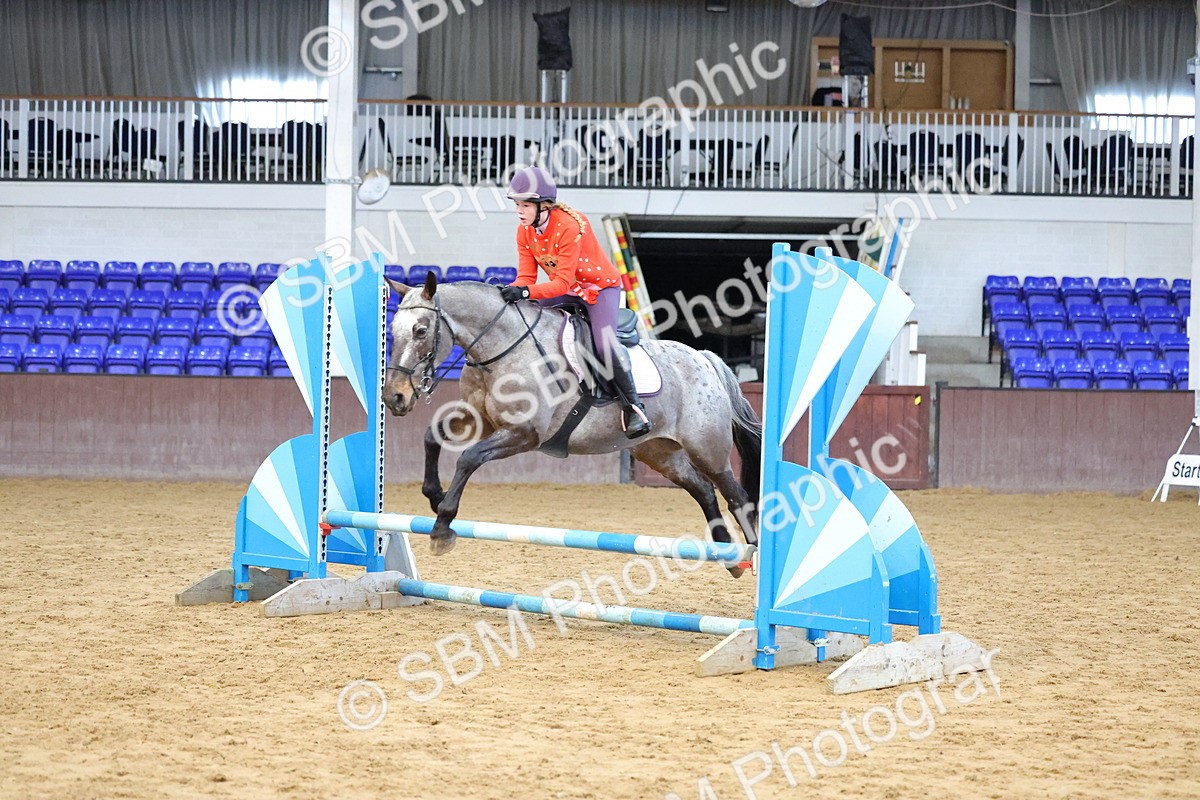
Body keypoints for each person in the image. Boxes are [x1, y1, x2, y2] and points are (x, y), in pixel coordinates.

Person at [500, 165, 652, 439]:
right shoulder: (524, 232)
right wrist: (508, 293)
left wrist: (524, 292)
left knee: (605, 343)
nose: (519, 211)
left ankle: (634, 408)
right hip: (566, 289)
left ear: (543, 205)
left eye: (524, 205)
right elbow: (526, 277)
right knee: (527, 320)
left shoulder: (569, 226)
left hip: (599, 289)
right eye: (517, 205)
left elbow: (559, 283)